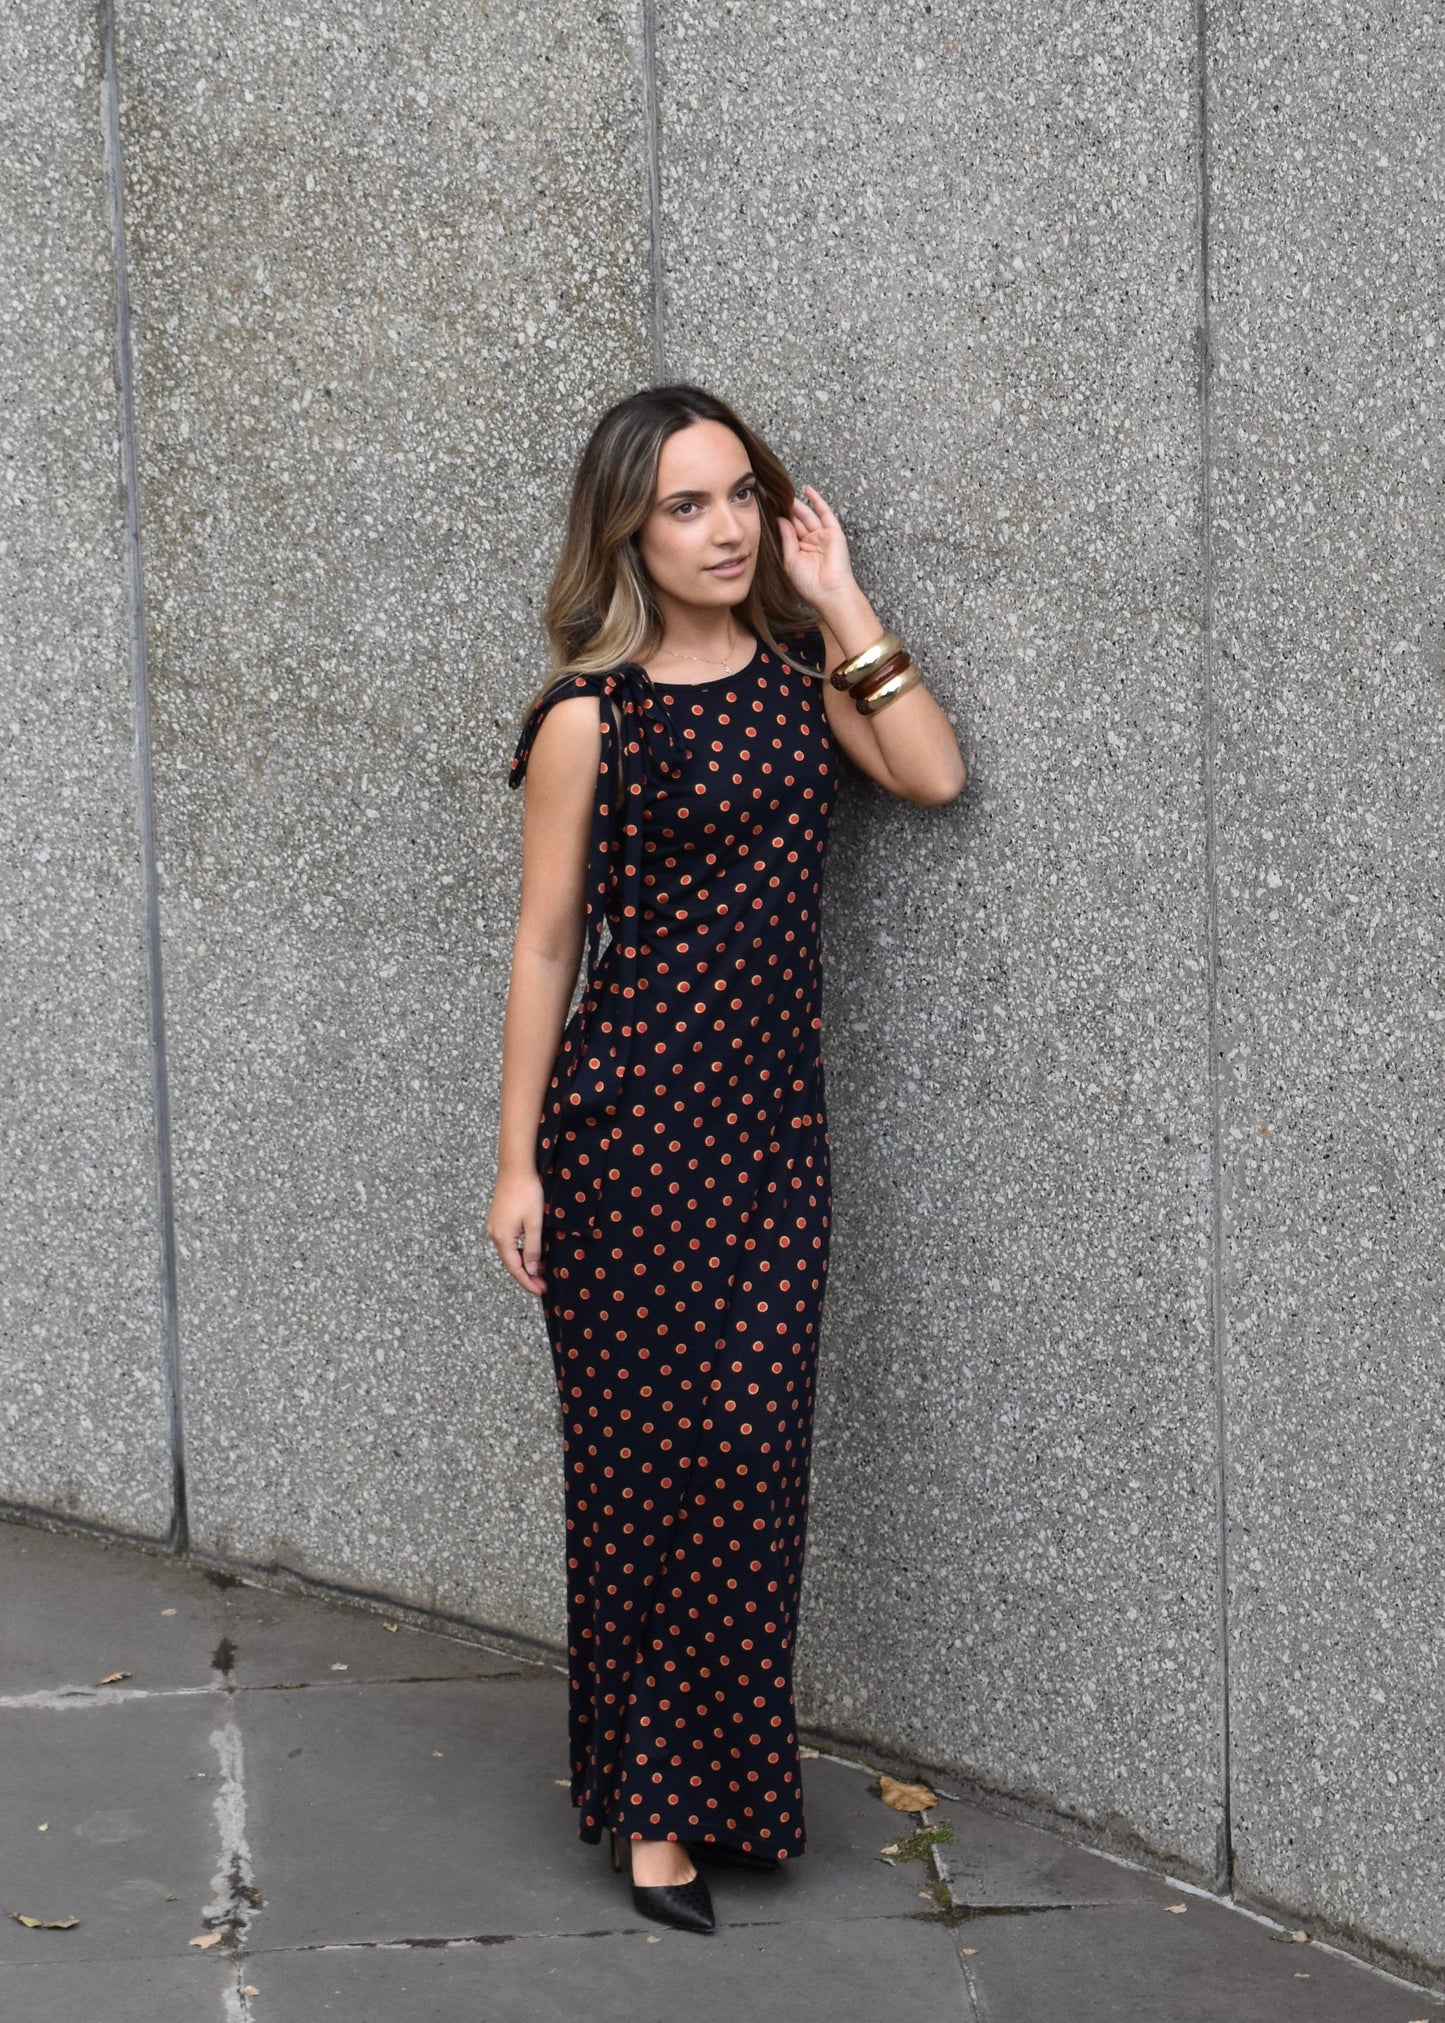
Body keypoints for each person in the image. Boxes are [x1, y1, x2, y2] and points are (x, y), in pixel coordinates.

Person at [488, 384, 966, 1933]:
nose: (719, 528)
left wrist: (841, 595)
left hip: (773, 1151)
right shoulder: (588, 715)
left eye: (736, 497)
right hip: (624, 1148)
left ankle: (721, 1785)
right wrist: (516, 1166)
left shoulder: (789, 680)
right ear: (626, 525)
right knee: (637, 1481)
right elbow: (546, 943)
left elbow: (930, 774)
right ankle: (647, 1812)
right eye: (683, 505)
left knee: (752, 1475)